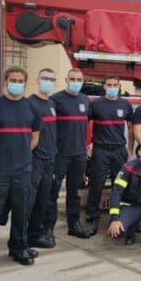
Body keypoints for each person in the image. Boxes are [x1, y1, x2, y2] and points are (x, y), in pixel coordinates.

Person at [0, 66, 41, 267]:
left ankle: (19, 248)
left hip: (23, 169)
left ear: (25, 82)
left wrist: (21, 154)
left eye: (20, 80)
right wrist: (1, 155)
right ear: (5, 81)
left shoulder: (32, 108)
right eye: (13, 80)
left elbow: (35, 138)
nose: (16, 83)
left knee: (22, 211)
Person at [86, 74, 134, 236]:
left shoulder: (125, 104)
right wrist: (88, 145)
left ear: (119, 87)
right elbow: (85, 124)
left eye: (115, 84)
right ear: (104, 86)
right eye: (109, 84)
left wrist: (130, 147)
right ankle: (92, 219)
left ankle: (119, 218)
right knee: (96, 185)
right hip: (100, 150)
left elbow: (131, 126)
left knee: (119, 185)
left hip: (119, 150)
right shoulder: (96, 104)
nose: (112, 87)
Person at [47, 68, 91, 240]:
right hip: (60, 154)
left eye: (79, 79)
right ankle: (48, 227)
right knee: (53, 191)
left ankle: (74, 225)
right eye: (72, 79)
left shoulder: (85, 100)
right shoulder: (55, 100)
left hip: (79, 154)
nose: (75, 82)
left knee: (74, 193)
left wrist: (88, 146)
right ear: (66, 80)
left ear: (83, 81)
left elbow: (87, 126)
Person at [27, 68, 58, 248]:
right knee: (30, 199)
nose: (48, 82)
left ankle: (36, 234)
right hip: (35, 159)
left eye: (51, 79)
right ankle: (24, 236)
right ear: (37, 80)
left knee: (44, 199)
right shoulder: (30, 103)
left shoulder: (52, 104)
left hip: (50, 159)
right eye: (45, 78)